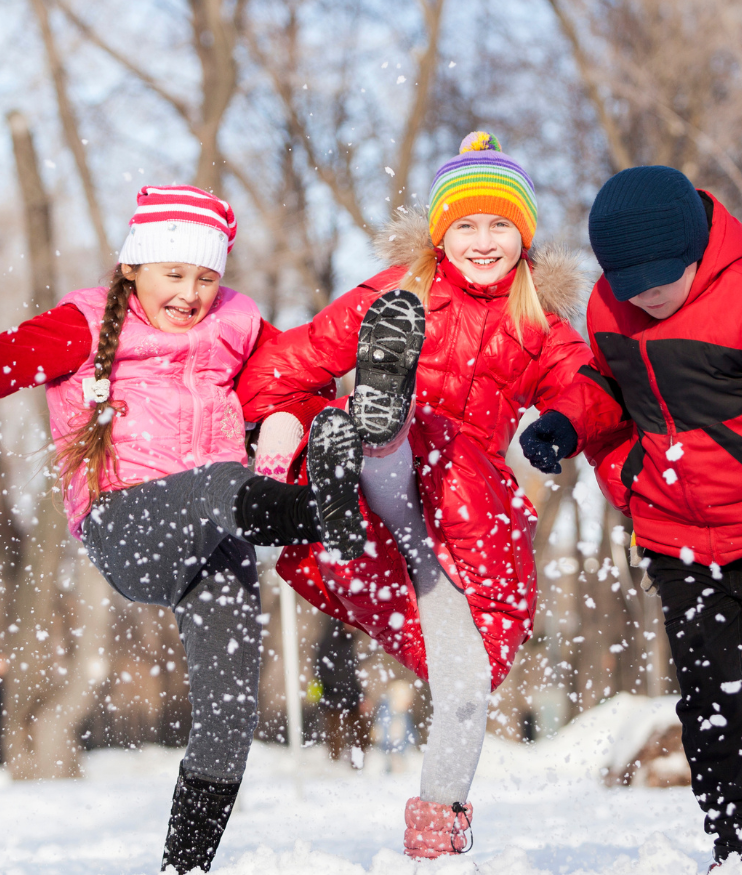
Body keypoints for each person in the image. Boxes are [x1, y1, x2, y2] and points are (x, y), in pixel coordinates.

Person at [0, 185, 344, 874]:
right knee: (219, 482)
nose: (190, 294)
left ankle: (184, 866)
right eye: (174, 275)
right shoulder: (86, 326)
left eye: (207, 278)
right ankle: (321, 515)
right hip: (126, 520)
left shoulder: (240, 325)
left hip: (219, 536)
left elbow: (294, 378)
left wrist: (319, 414)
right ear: (134, 269)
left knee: (231, 712)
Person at [237, 132, 594, 858]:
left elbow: (587, 390)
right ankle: (375, 422)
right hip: (381, 499)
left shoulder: (537, 322)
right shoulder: (396, 292)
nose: (483, 240)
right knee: (413, 439)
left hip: (452, 535)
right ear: (441, 232)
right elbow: (286, 367)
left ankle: (438, 829)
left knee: (468, 683)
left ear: (522, 236)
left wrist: (561, 424)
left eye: (500, 225)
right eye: (466, 224)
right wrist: (283, 425)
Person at [520, 166, 742, 864]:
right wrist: (566, 421)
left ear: (695, 249)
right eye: (630, 283)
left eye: (660, 279)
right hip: (674, 535)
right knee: (709, 701)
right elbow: (604, 387)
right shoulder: (609, 308)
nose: (645, 296)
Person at [314, 621, 367, 765]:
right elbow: (322, 671)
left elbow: (352, 674)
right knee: (335, 735)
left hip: (351, 697)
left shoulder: (349, 643)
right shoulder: (329, 642)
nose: (354, 628)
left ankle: (357, 763)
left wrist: (361, 696)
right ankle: (335, 765)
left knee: (361, 731)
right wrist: (340, 687)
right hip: (333, 696)